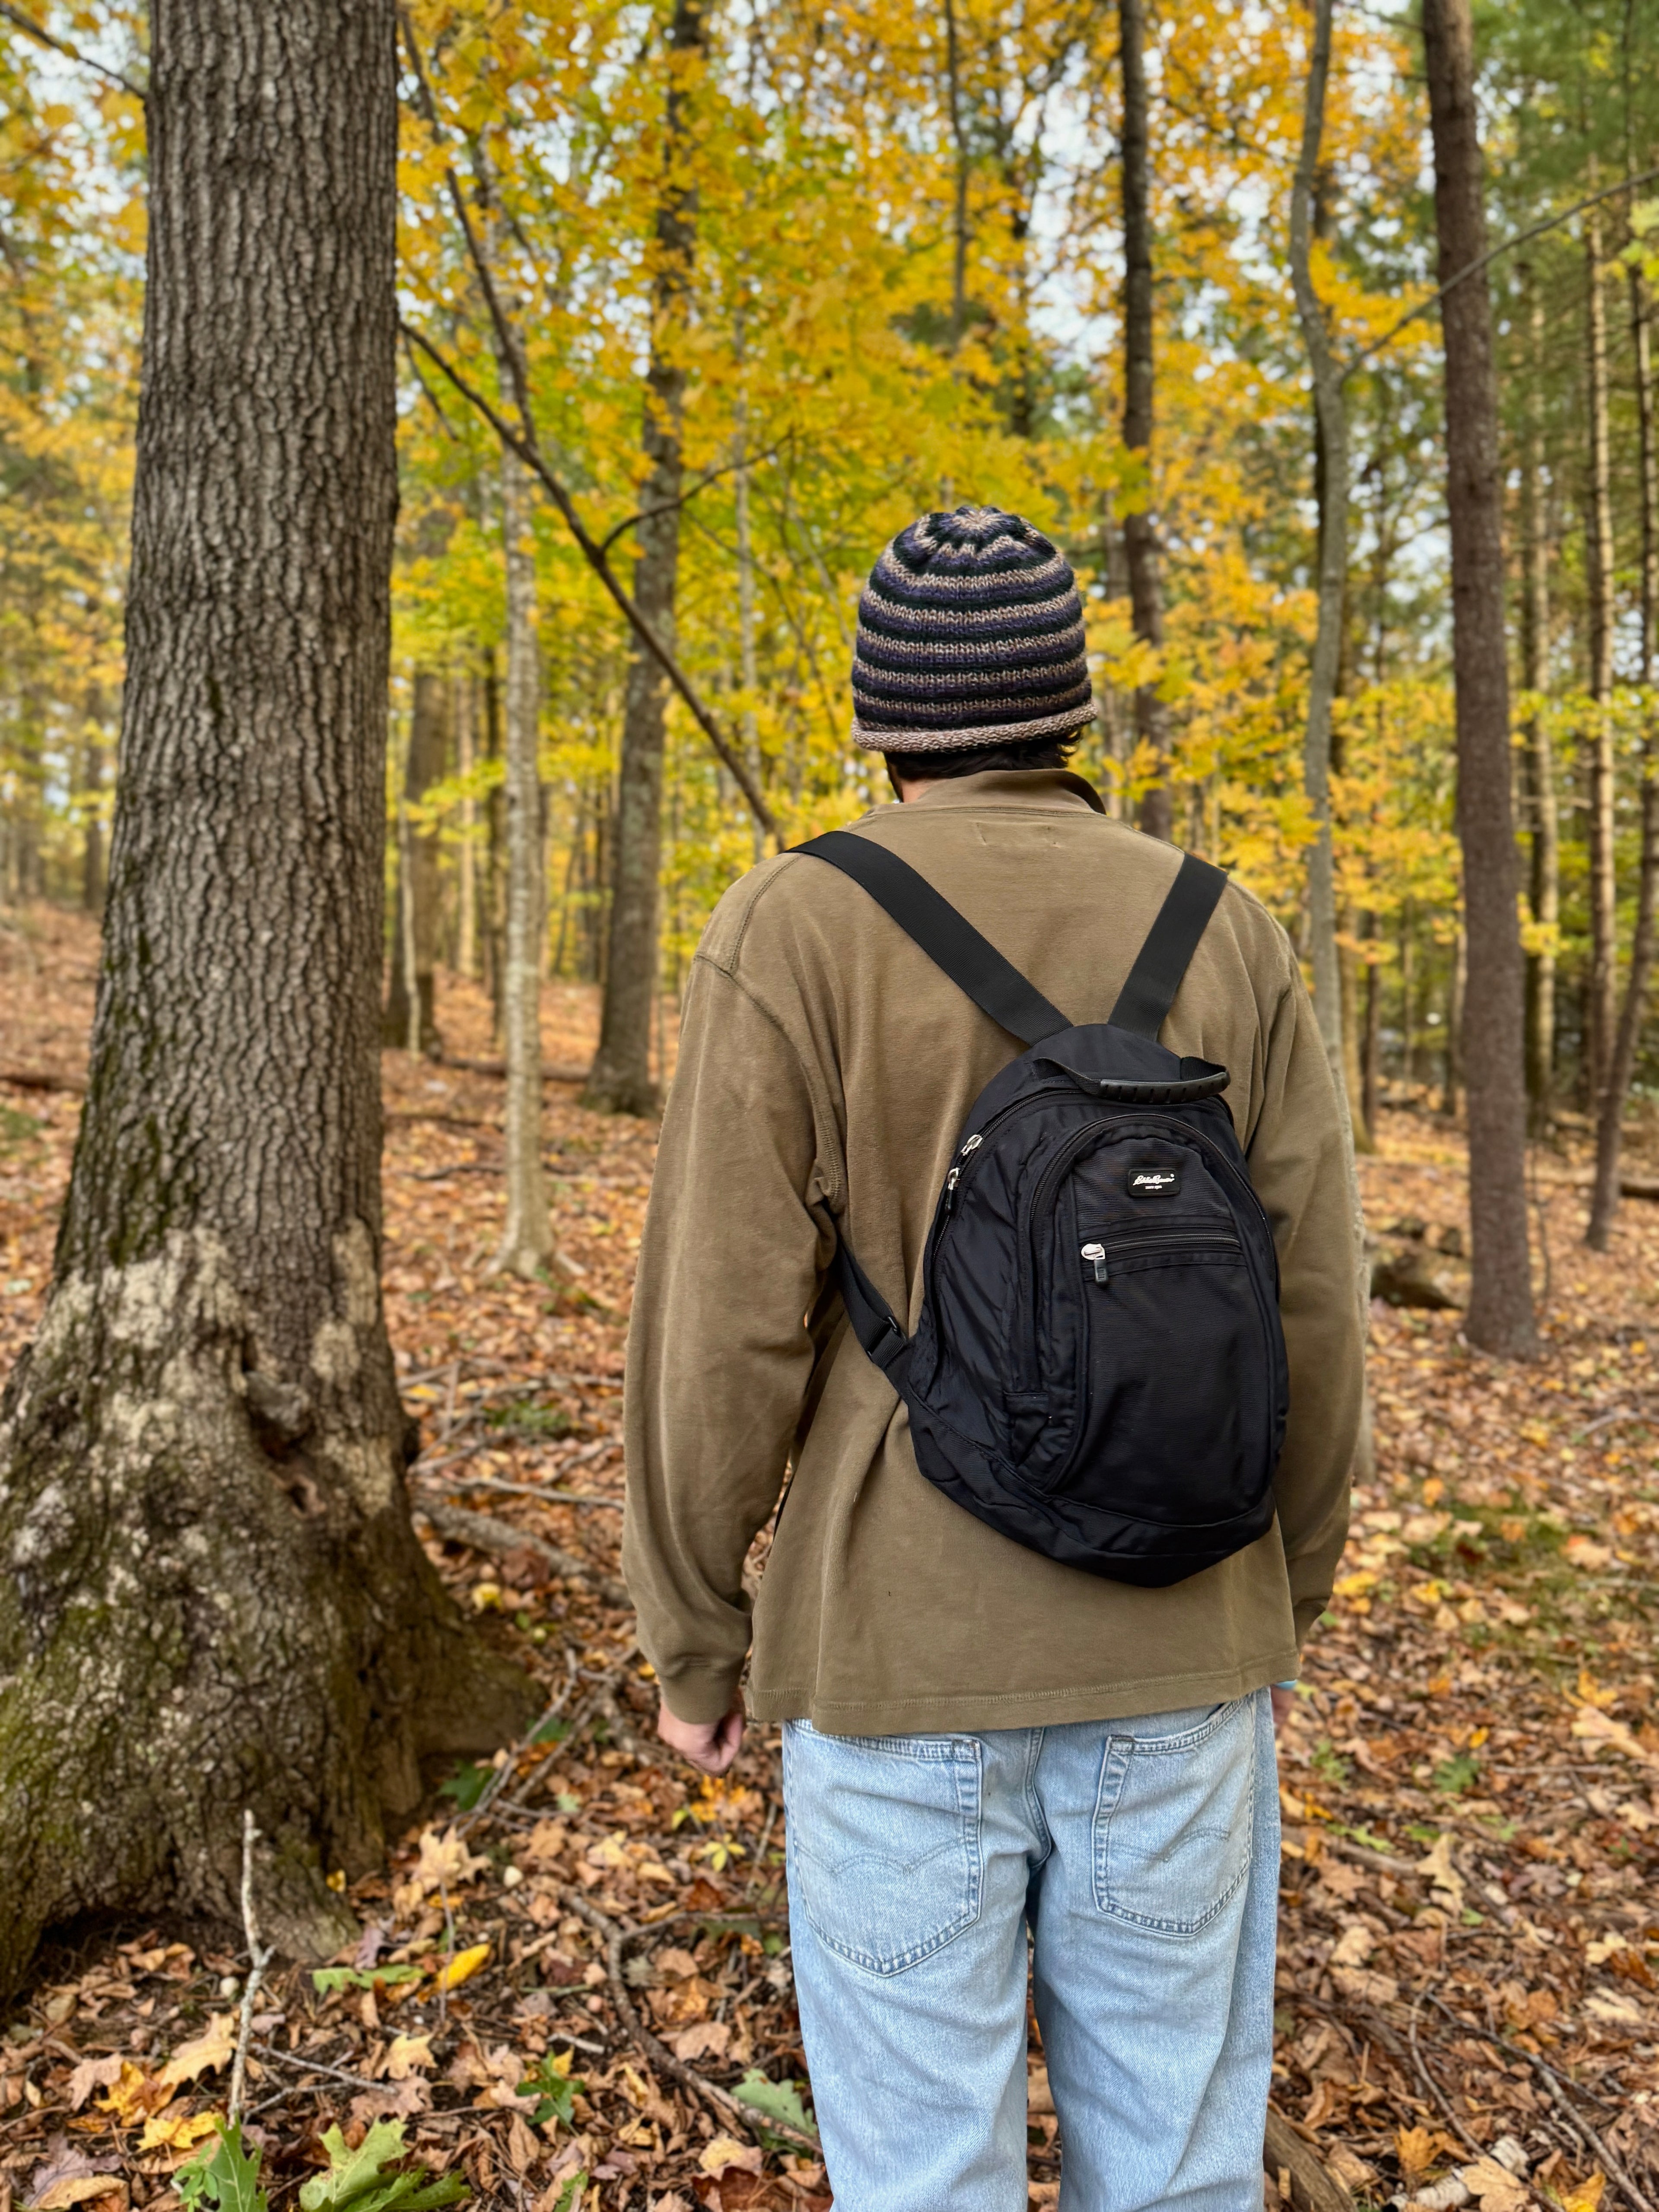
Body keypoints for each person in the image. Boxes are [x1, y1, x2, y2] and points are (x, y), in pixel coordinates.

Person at [623, 505, 1363, 2212]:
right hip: (1185, 1652)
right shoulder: (1226, 929)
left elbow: (718, 1328)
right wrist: (1283, 1601)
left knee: (921, 2174)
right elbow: (1316, 1310)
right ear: (1073, 715)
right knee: (1178, 2168)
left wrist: (693, 1638)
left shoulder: (797, 925)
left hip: (898, 1668)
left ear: (880, 719)